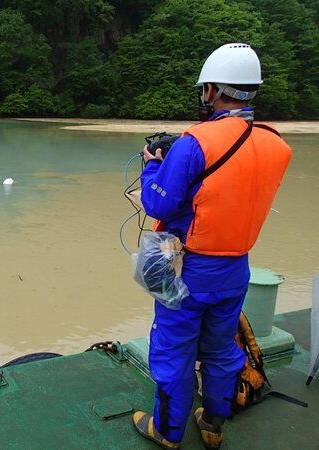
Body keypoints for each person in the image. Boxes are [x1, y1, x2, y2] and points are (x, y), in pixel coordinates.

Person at [132, 43, 292, 449]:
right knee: (221, 349)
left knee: (173, 350)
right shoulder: (276, 143)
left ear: (212, 91)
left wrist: (153, 163)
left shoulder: (195, 141)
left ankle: (167, 432)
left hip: (189, 271)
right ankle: (212, 424)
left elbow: (158, 201)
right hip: (236, 268)